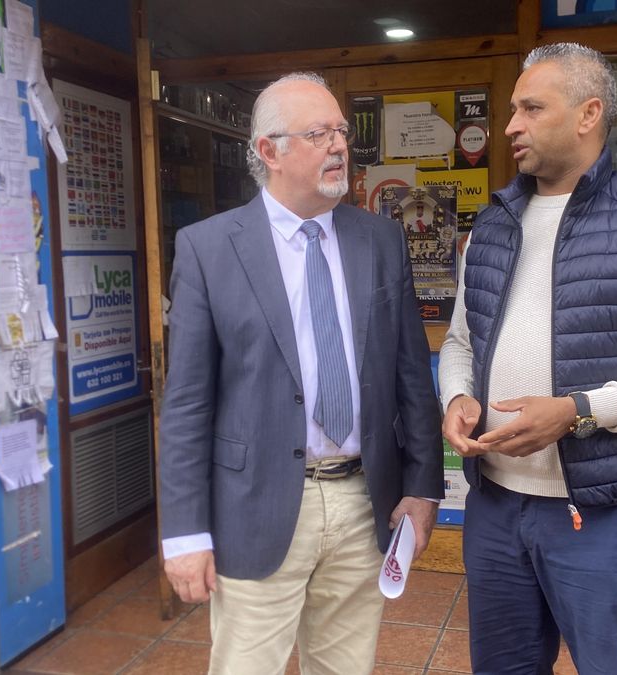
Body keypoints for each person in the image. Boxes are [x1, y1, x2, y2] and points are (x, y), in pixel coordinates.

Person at [438, 43, 617, 674]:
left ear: (588, 113)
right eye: (513, 108)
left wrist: (579, 412)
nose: (510, 125)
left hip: (603, 516)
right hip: (494, 509)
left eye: (531, 108)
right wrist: (457, 396)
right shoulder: (492, 224)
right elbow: (462, 342)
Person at [157, 72, 443, 675]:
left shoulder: (381, 239)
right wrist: (184, 533)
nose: (340, 145)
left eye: (341, 131)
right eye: (319, 134)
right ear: (270, 151)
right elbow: (186, 402)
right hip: (254, 506)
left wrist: (422, 487)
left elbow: (411, 374)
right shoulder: (209, 249)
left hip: (365, 502)